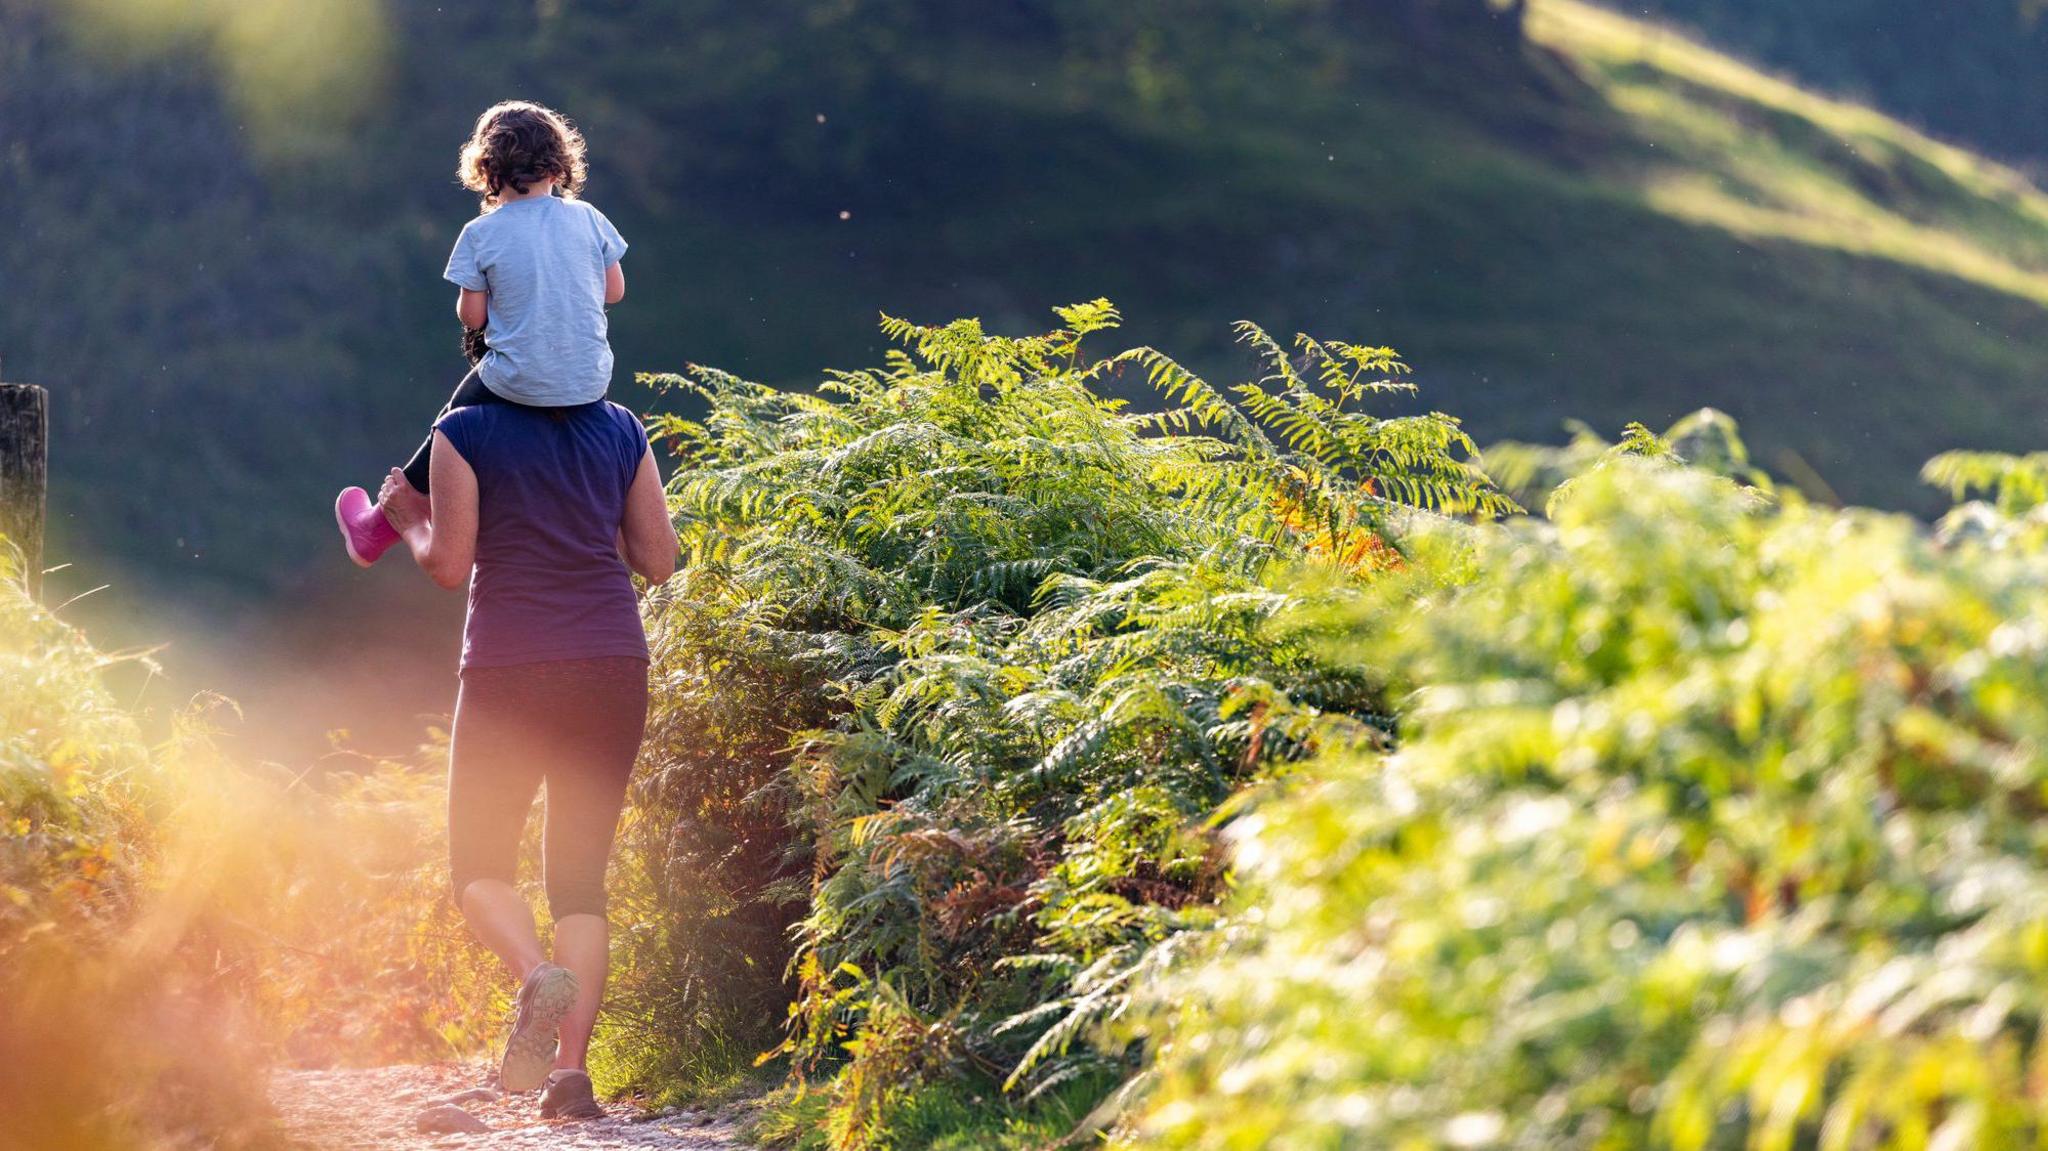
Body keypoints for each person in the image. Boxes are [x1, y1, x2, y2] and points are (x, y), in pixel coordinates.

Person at [375, 378, 678, 1119]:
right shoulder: (621, 428)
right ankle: (571, 1077)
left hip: (510, 666)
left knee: (478, 867)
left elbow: (448, 564)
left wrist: (410, 519)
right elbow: (660, 560)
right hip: (612, 662)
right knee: (580, 880)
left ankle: (537, 972)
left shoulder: (465, 429)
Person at [335, 99, 628, 565]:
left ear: (487, 170)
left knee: (452, 417)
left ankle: (380, 525)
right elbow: (614, 291)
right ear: (559, 165)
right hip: (591, 383)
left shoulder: (480, 233)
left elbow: (472, 318)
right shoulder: (589, 217)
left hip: (516, 384)